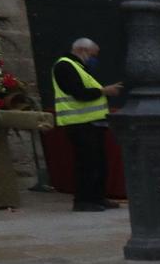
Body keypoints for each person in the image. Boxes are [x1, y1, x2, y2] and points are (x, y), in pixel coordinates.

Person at [51, 37, 121, 212]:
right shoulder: (64, 65)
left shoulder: (79, 67)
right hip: (78, 122)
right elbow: (78, 92)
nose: (94, 59)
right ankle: (83, 200)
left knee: (98, 162)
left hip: (92, 123)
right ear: (82, 50)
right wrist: (104, 91)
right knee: (87, 164)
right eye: (92, 55)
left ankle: (97, 197)